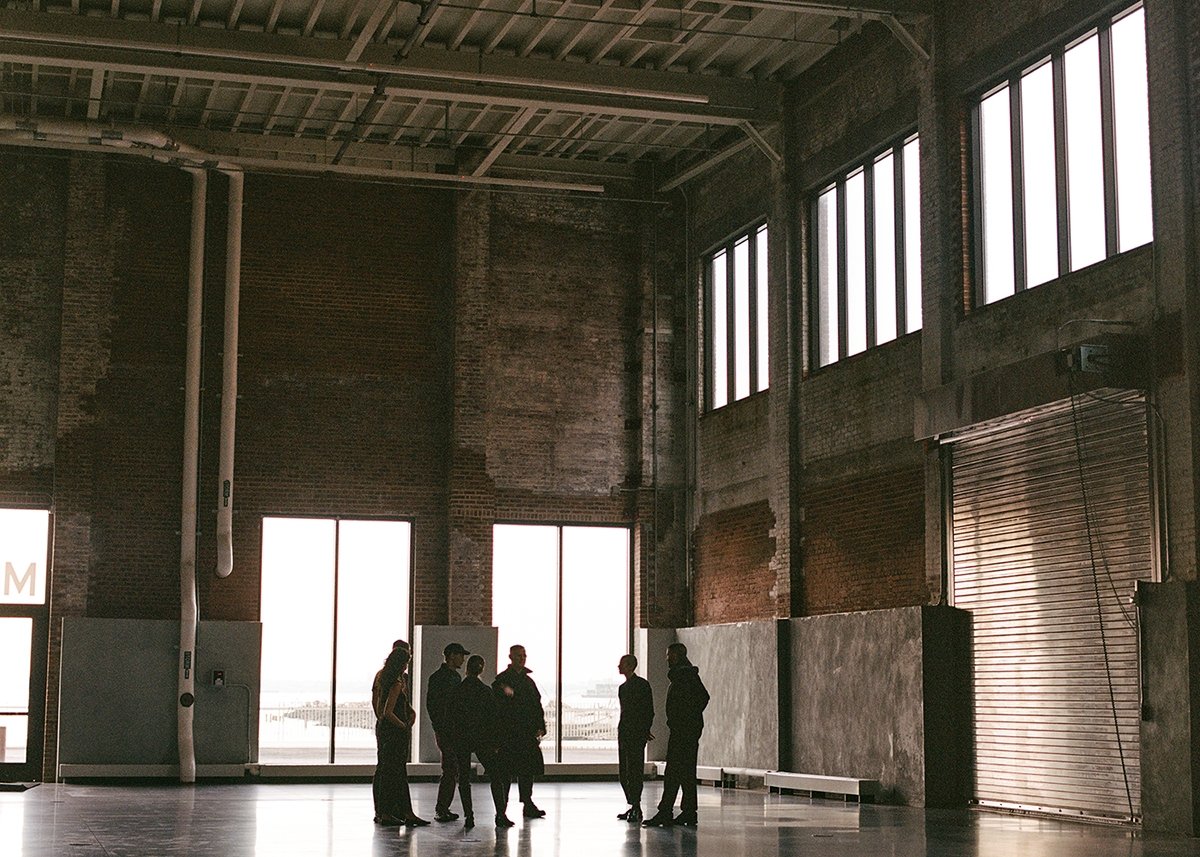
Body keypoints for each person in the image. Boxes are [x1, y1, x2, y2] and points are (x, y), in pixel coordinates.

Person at [643, 643, 709, 828]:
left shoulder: (684, 676)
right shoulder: (687, 675)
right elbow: (703, 698)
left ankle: (665, 812)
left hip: (682, 732)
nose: (667, 659)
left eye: (670, 655)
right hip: (686, 730)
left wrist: (685, 719)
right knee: (687, 772)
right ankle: (689, 812)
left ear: (678, 655)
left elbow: (703, 697)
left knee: (673, 773)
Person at [373, 645, 429, 828]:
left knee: (386, 771)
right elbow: (389, 712)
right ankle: (402, 812)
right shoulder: (397, 683)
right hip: (395, 733)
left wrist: (408, 712)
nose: (406, 667)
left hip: (385, 732)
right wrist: (404, 725)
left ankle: (384, 812)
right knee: (397, 773)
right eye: (406, 663)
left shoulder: (383, 679)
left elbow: (380, 709)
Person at [448, 654, 504, 829]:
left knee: (464, 778)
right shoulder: (485, 691)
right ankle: (500, 814)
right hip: (483, 738)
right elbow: (494, 718)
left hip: (462, 738)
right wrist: (495, 742)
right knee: (496, 775)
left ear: (467, 669)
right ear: (482, 669)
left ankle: (469, 816)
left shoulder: (458, 690)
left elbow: (451, 717)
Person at [492, 644, 547, 823]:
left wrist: (540, 725)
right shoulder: (502, 680)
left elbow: (537, 705)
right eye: (518, 656)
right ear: (510, 657)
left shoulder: (528, 681)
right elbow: (498, 708)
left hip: (526, 733)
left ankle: (527, 802)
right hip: (509, 734)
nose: (521, 658)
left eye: (523, 655)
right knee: (505, 773)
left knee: (527, 770)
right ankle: (502, 810)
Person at [427, 642, 470, 822]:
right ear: (451, 656)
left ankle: (443, 807)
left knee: (450, 769)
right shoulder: (451, 678)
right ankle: (442, 808)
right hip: (450, 731)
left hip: (446, 730)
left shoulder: (439, 677)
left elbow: (432, 705)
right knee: (451, 768)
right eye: (460, 655)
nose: (462, 659)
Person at [615, 653, 654, 823]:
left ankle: (636, 805)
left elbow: (648, 711)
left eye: (622, 664)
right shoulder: (624, 688)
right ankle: (633, 805)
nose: (619, 667)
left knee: (634, 771)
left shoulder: (641, 686)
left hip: (635, 734)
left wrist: (644, 730)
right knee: (625, 772)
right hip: (625, 733)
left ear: (630, 666)